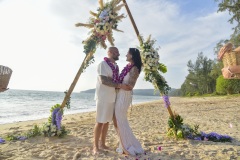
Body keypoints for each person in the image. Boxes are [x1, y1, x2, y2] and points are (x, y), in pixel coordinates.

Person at [93, 47, 131, 154]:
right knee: (100, 121)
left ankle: (103, 144)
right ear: (109, 53)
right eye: (115, 52)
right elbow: (103, 80)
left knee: (106, 122)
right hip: (103, 96)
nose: (117, 54)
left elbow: (113, 80)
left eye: (118, 52)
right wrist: (119, 85)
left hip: (112, 97)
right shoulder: (103, 64)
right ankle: (95, 147)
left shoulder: (116, 66)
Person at [114, 48, 144, 155]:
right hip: (120, 95)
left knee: (120, 119)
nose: (126, 55)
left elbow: (130, 86)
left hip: (124, 96)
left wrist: (117, 85)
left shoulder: (135, 68)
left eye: (128, 53)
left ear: (132, 55)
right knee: (120, 119)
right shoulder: (128, 67)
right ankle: (124, 143)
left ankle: (126, 145)